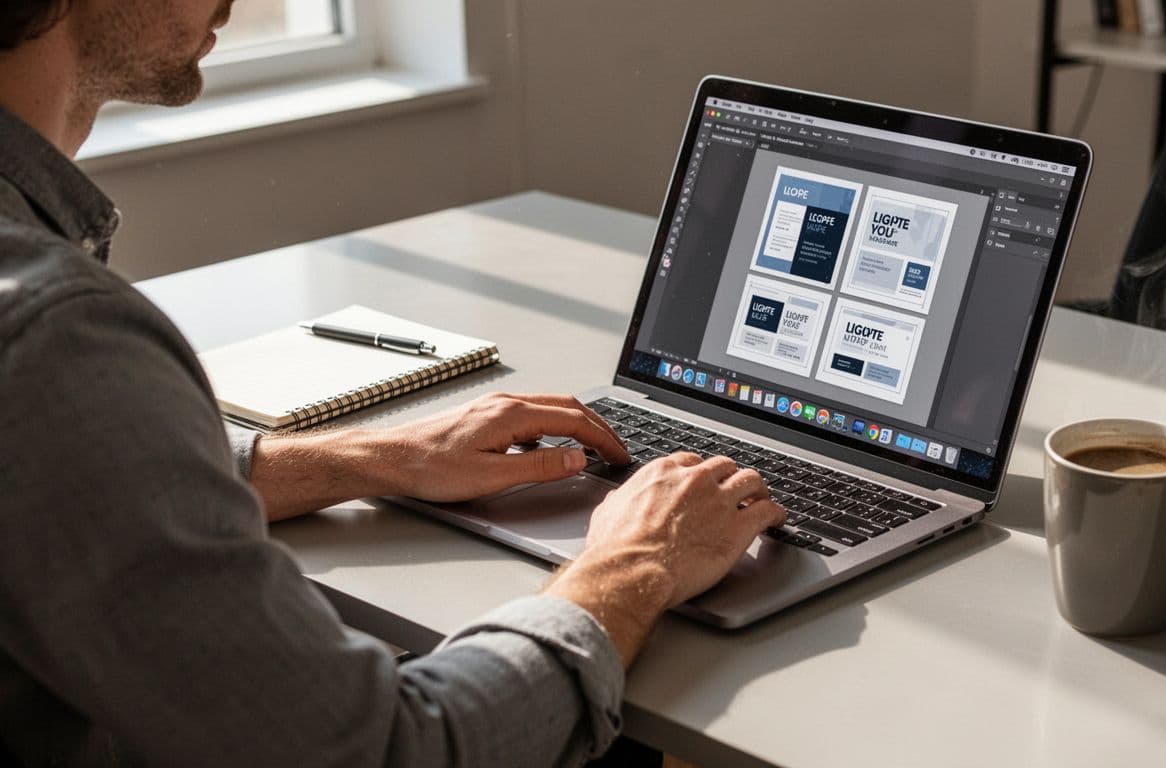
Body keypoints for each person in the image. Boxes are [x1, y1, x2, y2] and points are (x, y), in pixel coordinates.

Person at [0, 1, 784, 765]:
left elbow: (64, 474)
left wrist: (368, 458)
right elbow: (391, 748)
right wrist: (636, 561)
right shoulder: (57, 334)